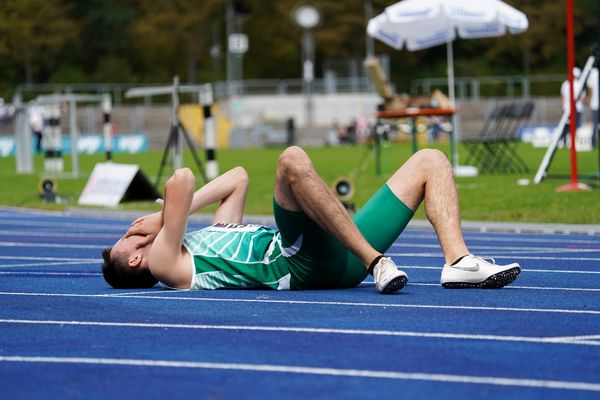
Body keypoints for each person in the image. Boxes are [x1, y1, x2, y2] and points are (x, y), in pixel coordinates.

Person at [102, 146, 521, 292]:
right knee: (291, 161)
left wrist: (171, 216)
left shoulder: (205, 241)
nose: (128, 231)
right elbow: (183, 180)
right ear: (136, 259)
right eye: (124, 237)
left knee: (430, 161)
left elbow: (238, 178)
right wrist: (161, 218)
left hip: (334, 256)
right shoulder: (164, 264)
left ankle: (458, 262)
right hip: (300, 264)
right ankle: (376, 261)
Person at [560, 67, 585, 147]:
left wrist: (563, 108)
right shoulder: (579, 84)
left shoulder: (565, 84)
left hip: (566, 109)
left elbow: (562, 97)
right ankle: (573, 142)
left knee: (565, 126)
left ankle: (563, 141)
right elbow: (582, 98)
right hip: (577, 109)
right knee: (575, 127)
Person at [587, 67, 599, 148]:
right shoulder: (593, 73)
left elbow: (590, 88)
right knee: (595, 125)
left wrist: (590, 101)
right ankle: (593, 143)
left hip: (595, 104)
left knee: (594, 124)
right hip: (595, 103)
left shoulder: (593, 73)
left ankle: (593, 143)